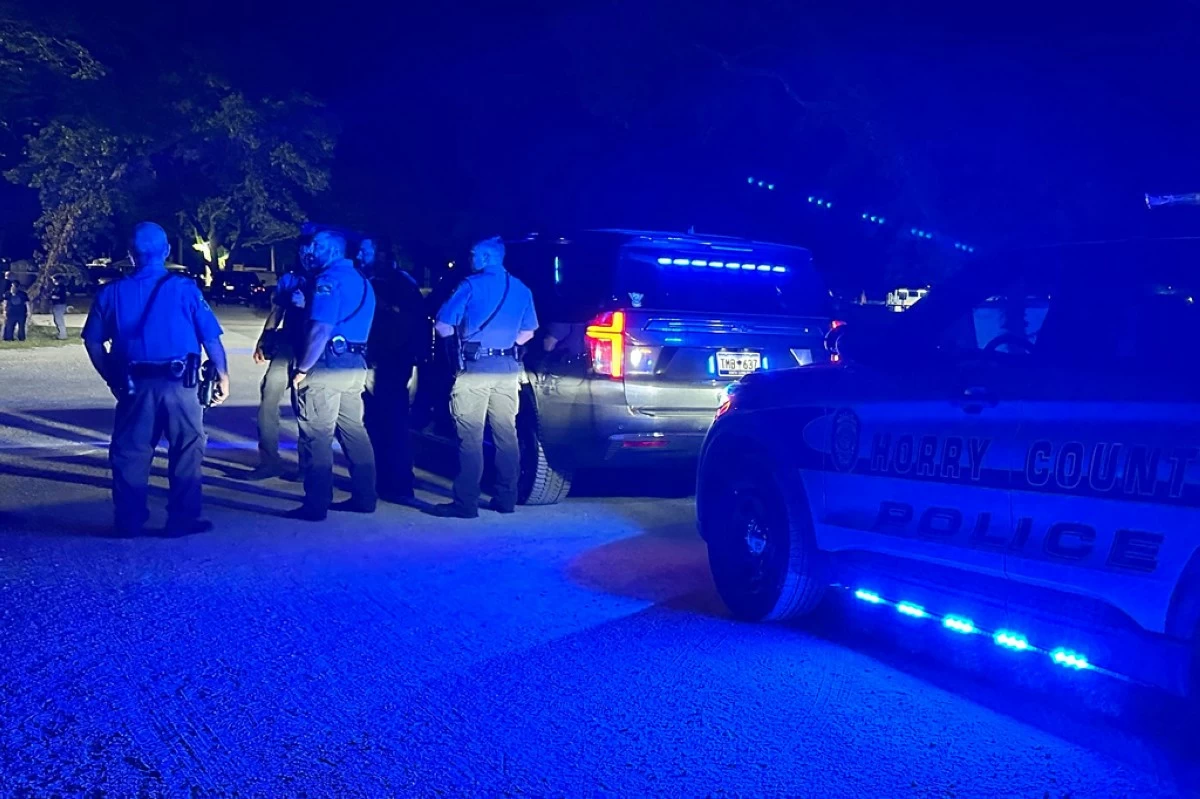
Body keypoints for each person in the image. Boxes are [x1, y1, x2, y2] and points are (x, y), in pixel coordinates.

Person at [81, 222, 230, 536]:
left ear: (130, 254)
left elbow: (93, 341)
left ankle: (129, 521)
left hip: (134, 385)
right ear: (165, 251)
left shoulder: (111, 293)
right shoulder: (185, 288)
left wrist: (111, 377)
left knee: (130, 452)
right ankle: (182, 519)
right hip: (181, 383)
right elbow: (211, 339)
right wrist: (223, 375)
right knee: (187, 450)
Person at [430, 236, 538, 518]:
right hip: (507, 371)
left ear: (488, 257)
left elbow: (442, 324)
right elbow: (528, 332)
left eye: (474, 254)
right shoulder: (521, 288)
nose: (470, 258)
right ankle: (506, 498)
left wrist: (455, 355)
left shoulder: (470, 285)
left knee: (470, 437)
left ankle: (465, 502)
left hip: (475, 369)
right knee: (507, 435)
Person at [284, 230, 377, 521]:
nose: (311, 251)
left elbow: (320, 329)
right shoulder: (362, 280)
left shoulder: (328, 281)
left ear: (332, 250)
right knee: (354, 432)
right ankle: (365, 496)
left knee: (317, 435)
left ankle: (316, 503)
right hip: (354, 364)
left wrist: (302, 368)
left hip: (326, 365)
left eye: (317, 246)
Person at [360, 237, 424, 505]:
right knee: (378, 423)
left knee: (391, 424)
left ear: (382, 255)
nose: (360, 256)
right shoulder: (382, 282)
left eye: (365, 252)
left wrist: (377, 363)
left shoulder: (397, 285)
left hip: (390, 364)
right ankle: (385, 480)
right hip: (388, 362)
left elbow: (406, 328)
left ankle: (396, 483)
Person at [244, 264, 308, 480]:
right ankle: (269, 461)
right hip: (287, 346)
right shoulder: (290, 279)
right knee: (268, 400)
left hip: (310, 349)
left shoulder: (324, 278)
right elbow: (277, 311)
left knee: (306, 408)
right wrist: (264, 340)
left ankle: (308, 466)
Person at [49, 274, 69, 340]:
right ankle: (60, 333)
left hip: (59, 305)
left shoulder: (61, 287)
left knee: (59, 320)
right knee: (56, 320)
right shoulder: (56, 287)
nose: (53, 281)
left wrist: (53, 297)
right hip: (57, 305)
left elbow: (62, 297)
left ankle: (63, 335)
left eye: (54, 279)